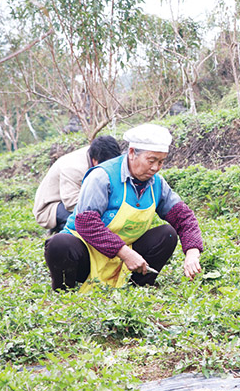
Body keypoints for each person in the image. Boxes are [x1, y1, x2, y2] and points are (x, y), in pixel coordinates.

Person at [44, 124, 203, 292]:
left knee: (167, 234)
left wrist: (192, 252)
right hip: (88, 254)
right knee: (59, 244)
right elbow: (86, 223)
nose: (156, 167)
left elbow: (183, 217)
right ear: (132, 152)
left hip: (125, 258)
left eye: (161, 162)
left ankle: (137, 288)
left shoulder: (156, 183)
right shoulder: (102, 176)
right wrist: (125, 253)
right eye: (151, 161)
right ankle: (65, 292)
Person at [33, 135, 121, 234]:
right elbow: (71, 203)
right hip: (52, 206)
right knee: (85, 223)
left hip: (80, 199)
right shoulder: (73, 168)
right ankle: (62, 231)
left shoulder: (102, 153)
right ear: (95, 161)